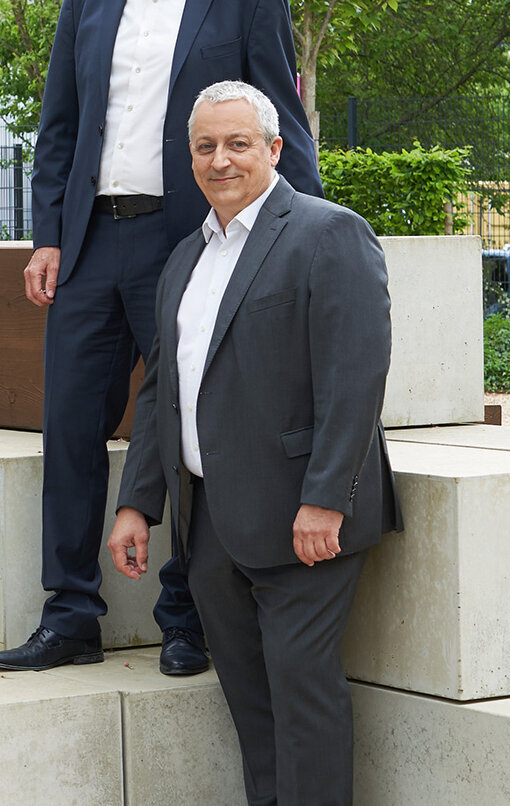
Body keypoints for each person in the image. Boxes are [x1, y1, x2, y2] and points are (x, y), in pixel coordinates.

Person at [0, 0, 323, 674]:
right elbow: (59, 126)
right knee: (69, 429)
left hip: (193, 245)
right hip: (90, 244)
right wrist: (48, 236)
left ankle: (186, 616)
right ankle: (69, 615)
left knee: (185, 427)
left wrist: (304, 239)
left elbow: (280, 127)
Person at [107, 82, 398, 806]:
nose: (221, 160)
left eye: (237, 144)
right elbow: (160, 390)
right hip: (208, 526)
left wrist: (326, 499)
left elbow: (355, 377)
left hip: (302, 520)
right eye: (205, 147)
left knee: (303, 701)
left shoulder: (329, 233)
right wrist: (137, 503)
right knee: (250, 703)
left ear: (274, 149)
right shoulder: (185, 257)